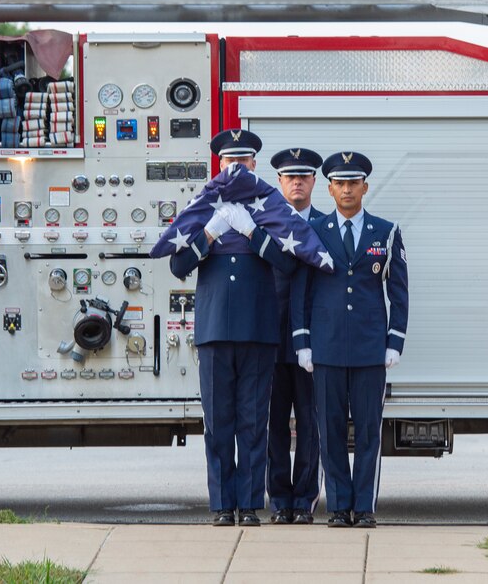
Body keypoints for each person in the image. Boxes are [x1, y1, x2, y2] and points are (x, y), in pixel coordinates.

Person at [167, 129, 298, 527]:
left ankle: (249, 505)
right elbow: (177, 265)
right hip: (215, 333)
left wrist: (252, 232)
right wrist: (210, 232)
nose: (237, 168)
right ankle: (224, 504)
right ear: (219, 167)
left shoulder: (270, 211)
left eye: (243, 162)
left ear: (254, 166)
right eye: (230, 163)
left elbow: (289, 263)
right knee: (219, 423)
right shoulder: (204, 210)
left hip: (258, 332)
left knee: (253, 424)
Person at [290, 151, 409, 529]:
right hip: (325, 349)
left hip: (370, 349)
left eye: (353, 183)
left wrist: (395, 342)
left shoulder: (386, 232)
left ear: (364, 187)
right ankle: (339, 507)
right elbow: (301, 292)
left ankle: (365, 507)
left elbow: (400, 292)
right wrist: (302, 343)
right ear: (329, 189)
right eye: (340, 183)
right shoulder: (315, 233)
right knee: (331, 431)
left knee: (370, 433)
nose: (346, 189)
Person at [266, 148, 325, 525]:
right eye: (290, 177)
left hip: (314, 343)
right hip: (269, 341)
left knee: (309, 423)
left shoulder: (326, 225)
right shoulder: (264, 224)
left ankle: (304, 500)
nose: (297, 182)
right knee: (272, 424)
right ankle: (279, 500)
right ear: (279, 182)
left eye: (304, 176)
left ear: (315, 182)